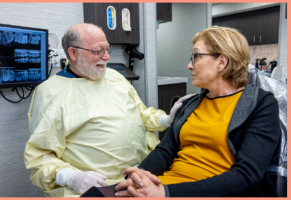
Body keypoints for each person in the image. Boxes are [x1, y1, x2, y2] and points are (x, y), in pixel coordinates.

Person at [23, 23, 189, 197]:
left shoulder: (115, 77)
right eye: (98, 51)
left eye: (107, 49)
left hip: (142, 175)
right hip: (99, 188)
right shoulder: (50, 93)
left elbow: (140, 115)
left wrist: (166, 119)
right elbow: (39, 155)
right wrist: (70, 177)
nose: (107, 56)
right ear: (73, 53)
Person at [115, 26, 281, 197]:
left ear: (222, 62)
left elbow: (246, 176)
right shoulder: (191, 104)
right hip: (166, 188)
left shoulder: (262, 105)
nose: (189, 65)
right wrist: (140, 175)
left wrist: (166, 192)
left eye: (196, 57)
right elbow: (164, 152)